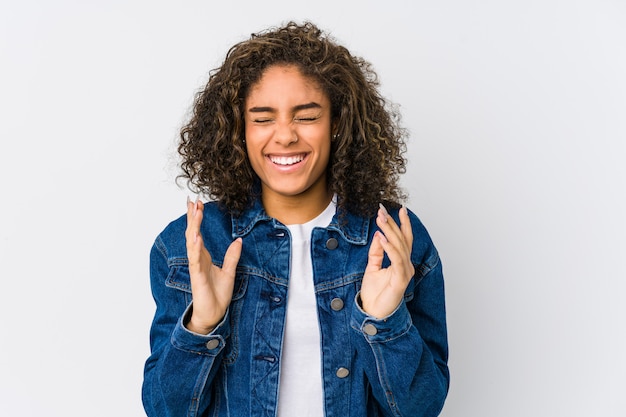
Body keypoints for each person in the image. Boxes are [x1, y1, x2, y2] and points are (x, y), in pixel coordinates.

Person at [142, 21, 449, 417]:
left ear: (337, 124)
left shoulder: (394, 238)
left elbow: (421, 408)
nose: (285, 136)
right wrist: (202, 324)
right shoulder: (196, 243)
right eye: (263, 118)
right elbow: (165, 410)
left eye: (306, 116)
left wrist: (382, 320)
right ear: (239, 131)